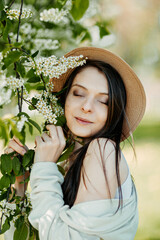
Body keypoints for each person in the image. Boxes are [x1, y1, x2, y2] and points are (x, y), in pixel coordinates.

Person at [4, 47, 146, 240]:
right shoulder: (66, 162)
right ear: (64, 99)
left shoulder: (103, 151)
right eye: (78, 93)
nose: (86, 107)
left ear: (114, 111)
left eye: (103, 101)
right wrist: (19, 186)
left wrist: (44, 169)